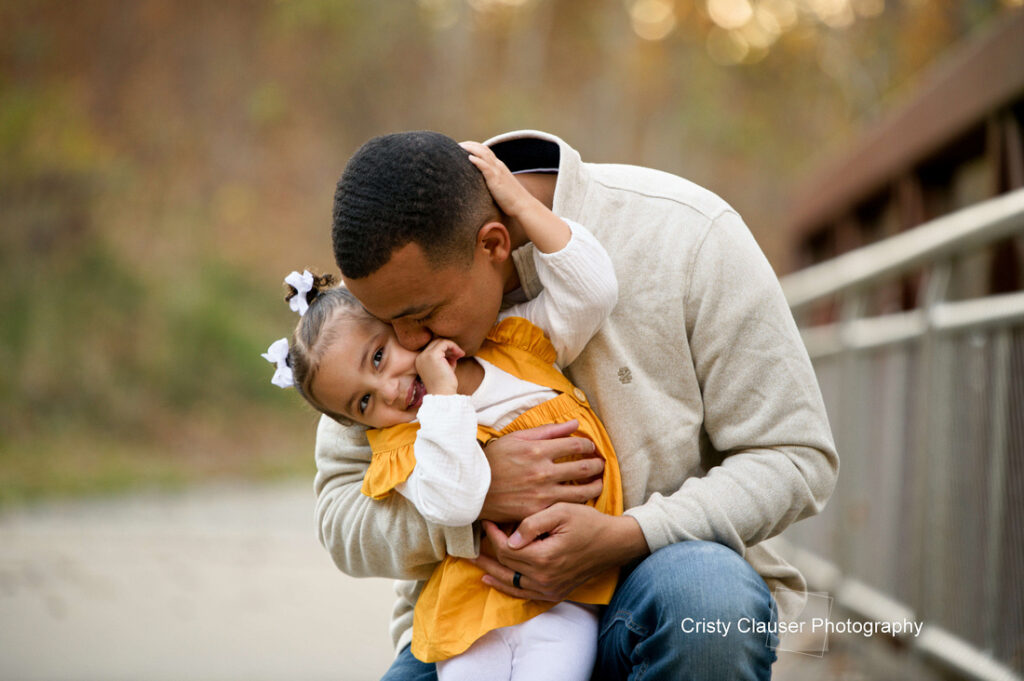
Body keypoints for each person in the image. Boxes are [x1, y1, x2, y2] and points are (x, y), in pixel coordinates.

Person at [318, 130, 839, 680]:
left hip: (661, 600)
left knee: (710, 599)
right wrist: (474, 499)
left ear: (493, 244)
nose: (408, 342)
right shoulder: (394, 294)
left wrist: (627, 537)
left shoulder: (685, 233)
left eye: (421, 316)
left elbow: (796, 457)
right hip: (478, 630)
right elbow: (340, 516)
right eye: (387, 325)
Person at [265, 145, 624, 680]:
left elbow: (593, 292)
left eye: (382, 355)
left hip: (564, 603)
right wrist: (447, 402)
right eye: (363, 402)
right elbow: (453, 501)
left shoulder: (507, 346)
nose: (387, 390)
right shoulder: (403, 444)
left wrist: (523, 208)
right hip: (467, 609)